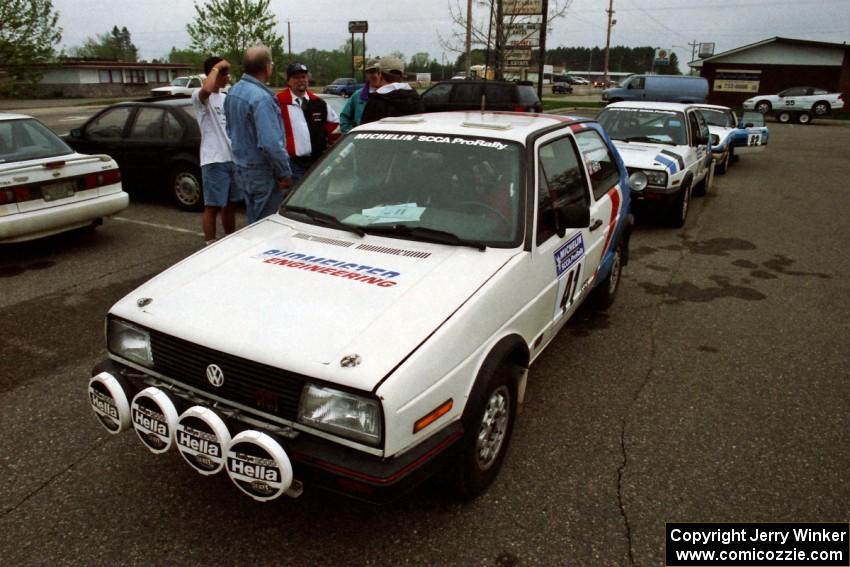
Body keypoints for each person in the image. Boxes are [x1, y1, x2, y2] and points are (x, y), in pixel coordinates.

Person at [223, 46, 292, 224]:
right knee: (266, 226)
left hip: (242, 167)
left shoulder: (233, 92)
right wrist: (284, 173)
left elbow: (230, 130)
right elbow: (271, 144)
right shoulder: (261, 98)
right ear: (267, 67)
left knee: (253, 221)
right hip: (263, 171)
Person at [191, 56, 241, 246]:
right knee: (212, 205)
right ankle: (209, 243)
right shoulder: (199, 96)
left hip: (231, 158)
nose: (226, 77)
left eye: (227, 73)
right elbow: (207, 89)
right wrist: (217, 67)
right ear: (213, 73)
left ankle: (230, 240)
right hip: (213, 159)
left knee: (230, 205)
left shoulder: (226, 98)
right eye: (223, 73)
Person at [275, 62, 339, 184]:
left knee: (319, 199)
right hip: (294, 165)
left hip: (318, 163)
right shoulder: (279, 103)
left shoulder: (319, 103)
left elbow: (334, 127)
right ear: (289, 81)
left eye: (303, 77)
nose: (301, 80)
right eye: (296, 77)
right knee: (298, 201)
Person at [360, 56, 424, 124]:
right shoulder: (415, 98)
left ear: (380, 74)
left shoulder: (375, 101)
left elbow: (365, 128)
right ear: (401, 75)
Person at [339, 57, 382, 133]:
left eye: (378, 72)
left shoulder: (390, 95)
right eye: (371, 72)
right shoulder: (357, 96)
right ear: (367, 74)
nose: (375, 75)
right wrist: (352, 135)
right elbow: (344, 117)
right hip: (363, 142)